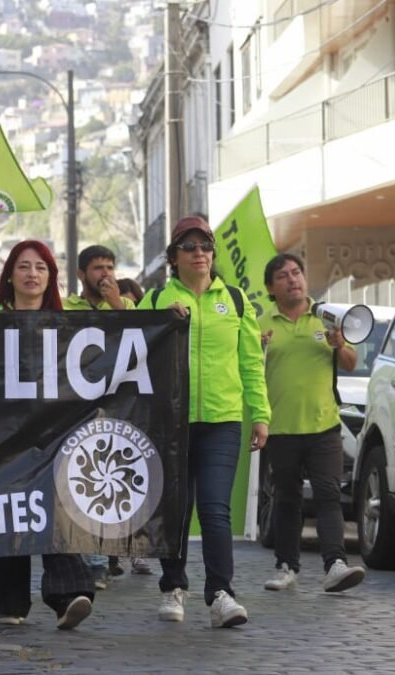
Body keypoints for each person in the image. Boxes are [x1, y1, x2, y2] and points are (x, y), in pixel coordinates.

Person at [137, 215, 270, 629]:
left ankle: (221, 594)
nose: (200, 253)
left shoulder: (233, 298)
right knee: (175, 509)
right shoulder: (156, 300)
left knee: (215, 509)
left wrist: (260, 414)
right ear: (173, 258)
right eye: (189, 247)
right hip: (169, 421)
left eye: (205, 247)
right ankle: (173, 587)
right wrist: (160, 322)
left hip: (222, 419)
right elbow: (128, 350)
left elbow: (250, 361)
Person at [0, 240, 96, 630]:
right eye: (24, 266)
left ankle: (68, 596)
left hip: (53, 435)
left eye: (41, 268)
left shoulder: (70, 327)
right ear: (10, 274)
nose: (32, 274)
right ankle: (10, 604)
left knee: (52, 510)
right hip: (4, 436)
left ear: (51, 278)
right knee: (10, 510)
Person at [259, 254, 366, 593]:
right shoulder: (263, 324)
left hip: (324, 427)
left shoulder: (326, 318)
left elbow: (351, 362)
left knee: (328, 494)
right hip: (281, 428)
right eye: (283, 276)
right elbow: (250, 371)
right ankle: (286, 566)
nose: (293, 280)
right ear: (271, 288)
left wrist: (338, 345)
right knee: (287, 498)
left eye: (297, 273)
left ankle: (335, 563)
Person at [61, 244, 134, 587]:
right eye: (97, 268)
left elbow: (137, 337)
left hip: (114, 407)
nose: (104, 274)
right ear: (80, 274)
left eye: (109, 267)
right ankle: (84, 559)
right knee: (77, 482)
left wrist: (117, 303)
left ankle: (100, 560)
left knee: (105, 484)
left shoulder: (127, 306)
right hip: (74, 407)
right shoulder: (63, 307)